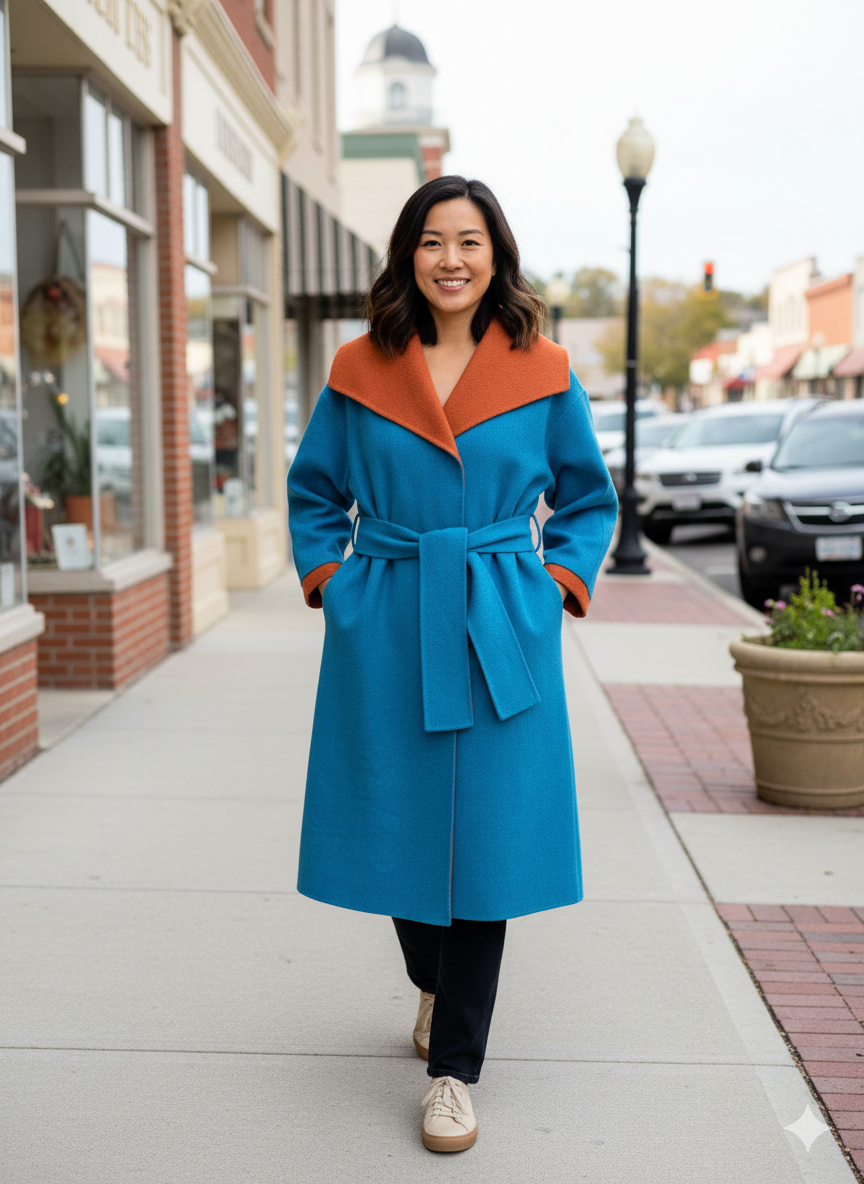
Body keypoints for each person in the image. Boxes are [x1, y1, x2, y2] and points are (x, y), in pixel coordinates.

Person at [287, 175, 618, 1152]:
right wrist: (335, 586)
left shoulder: (545, 368)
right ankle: (430, 982)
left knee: (486, 847)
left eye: (470, 241)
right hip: (390, 617)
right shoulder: (360, 366)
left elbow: (588, 499)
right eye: (433, 241)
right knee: (393, 820)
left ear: (496, 255)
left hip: (498, 619)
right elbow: (314, 492)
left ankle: (454, 1073)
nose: (451, 259)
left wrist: (554, 588)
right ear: (409, 254)